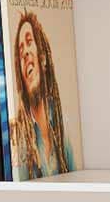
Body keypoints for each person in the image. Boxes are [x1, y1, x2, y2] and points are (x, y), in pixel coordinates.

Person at [8, 10, 76, 178]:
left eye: (29, 42)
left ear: (43, 59)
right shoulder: (19, 137)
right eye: (20, 49)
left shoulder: (62, 127)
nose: (24, 53)